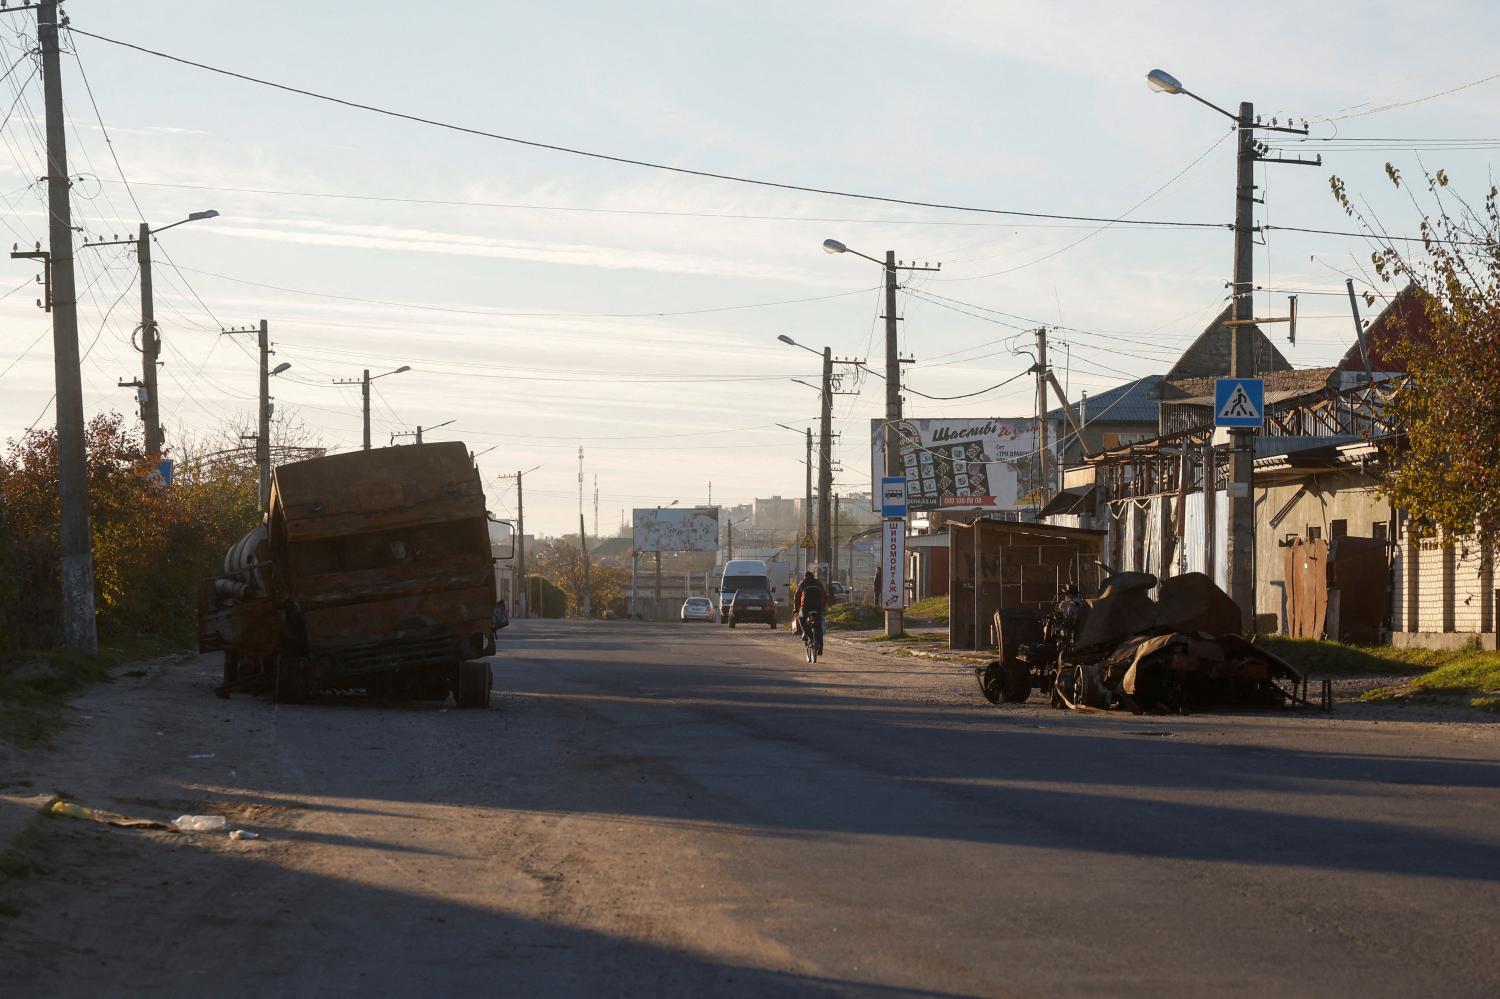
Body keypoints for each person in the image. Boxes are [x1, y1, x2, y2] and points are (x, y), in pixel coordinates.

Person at [794, 571, 826, 648]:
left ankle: (805, 633)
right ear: (813, 576)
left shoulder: (803, 583)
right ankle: (820, 646)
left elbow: (797, 597)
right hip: (817, 607)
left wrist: (796, 609)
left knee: (801, 618)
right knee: (818, 625)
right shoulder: (818, 583)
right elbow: (824, 596)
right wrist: (822, 607)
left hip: (805, 607)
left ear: (805, 577)